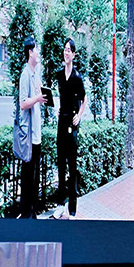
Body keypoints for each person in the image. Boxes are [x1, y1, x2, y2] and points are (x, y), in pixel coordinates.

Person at [55, 38, 87, 219]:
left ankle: (72, 209)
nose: (66, 52)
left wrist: (79, 115)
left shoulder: (77, 77)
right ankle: (60, 205)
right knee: (60, 165)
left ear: (73, 54)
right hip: (61, 122)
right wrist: (58, 108)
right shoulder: (60, 75)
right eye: (65, 49)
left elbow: (84, 98)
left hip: (72, 124)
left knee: (72, 167)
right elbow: (61, 96)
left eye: (69, 50)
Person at [18, 37, 47, 218]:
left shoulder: (36, 74)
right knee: (28, 176)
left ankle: (33, 212)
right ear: (30, 52)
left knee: (35, 176)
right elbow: (22, 104)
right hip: (28, 135)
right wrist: (37, 98)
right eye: (36, 50)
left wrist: (41, 97)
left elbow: (37, 99)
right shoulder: (25, 74)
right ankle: (26, 213)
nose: (38, 53)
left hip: (37, 133)